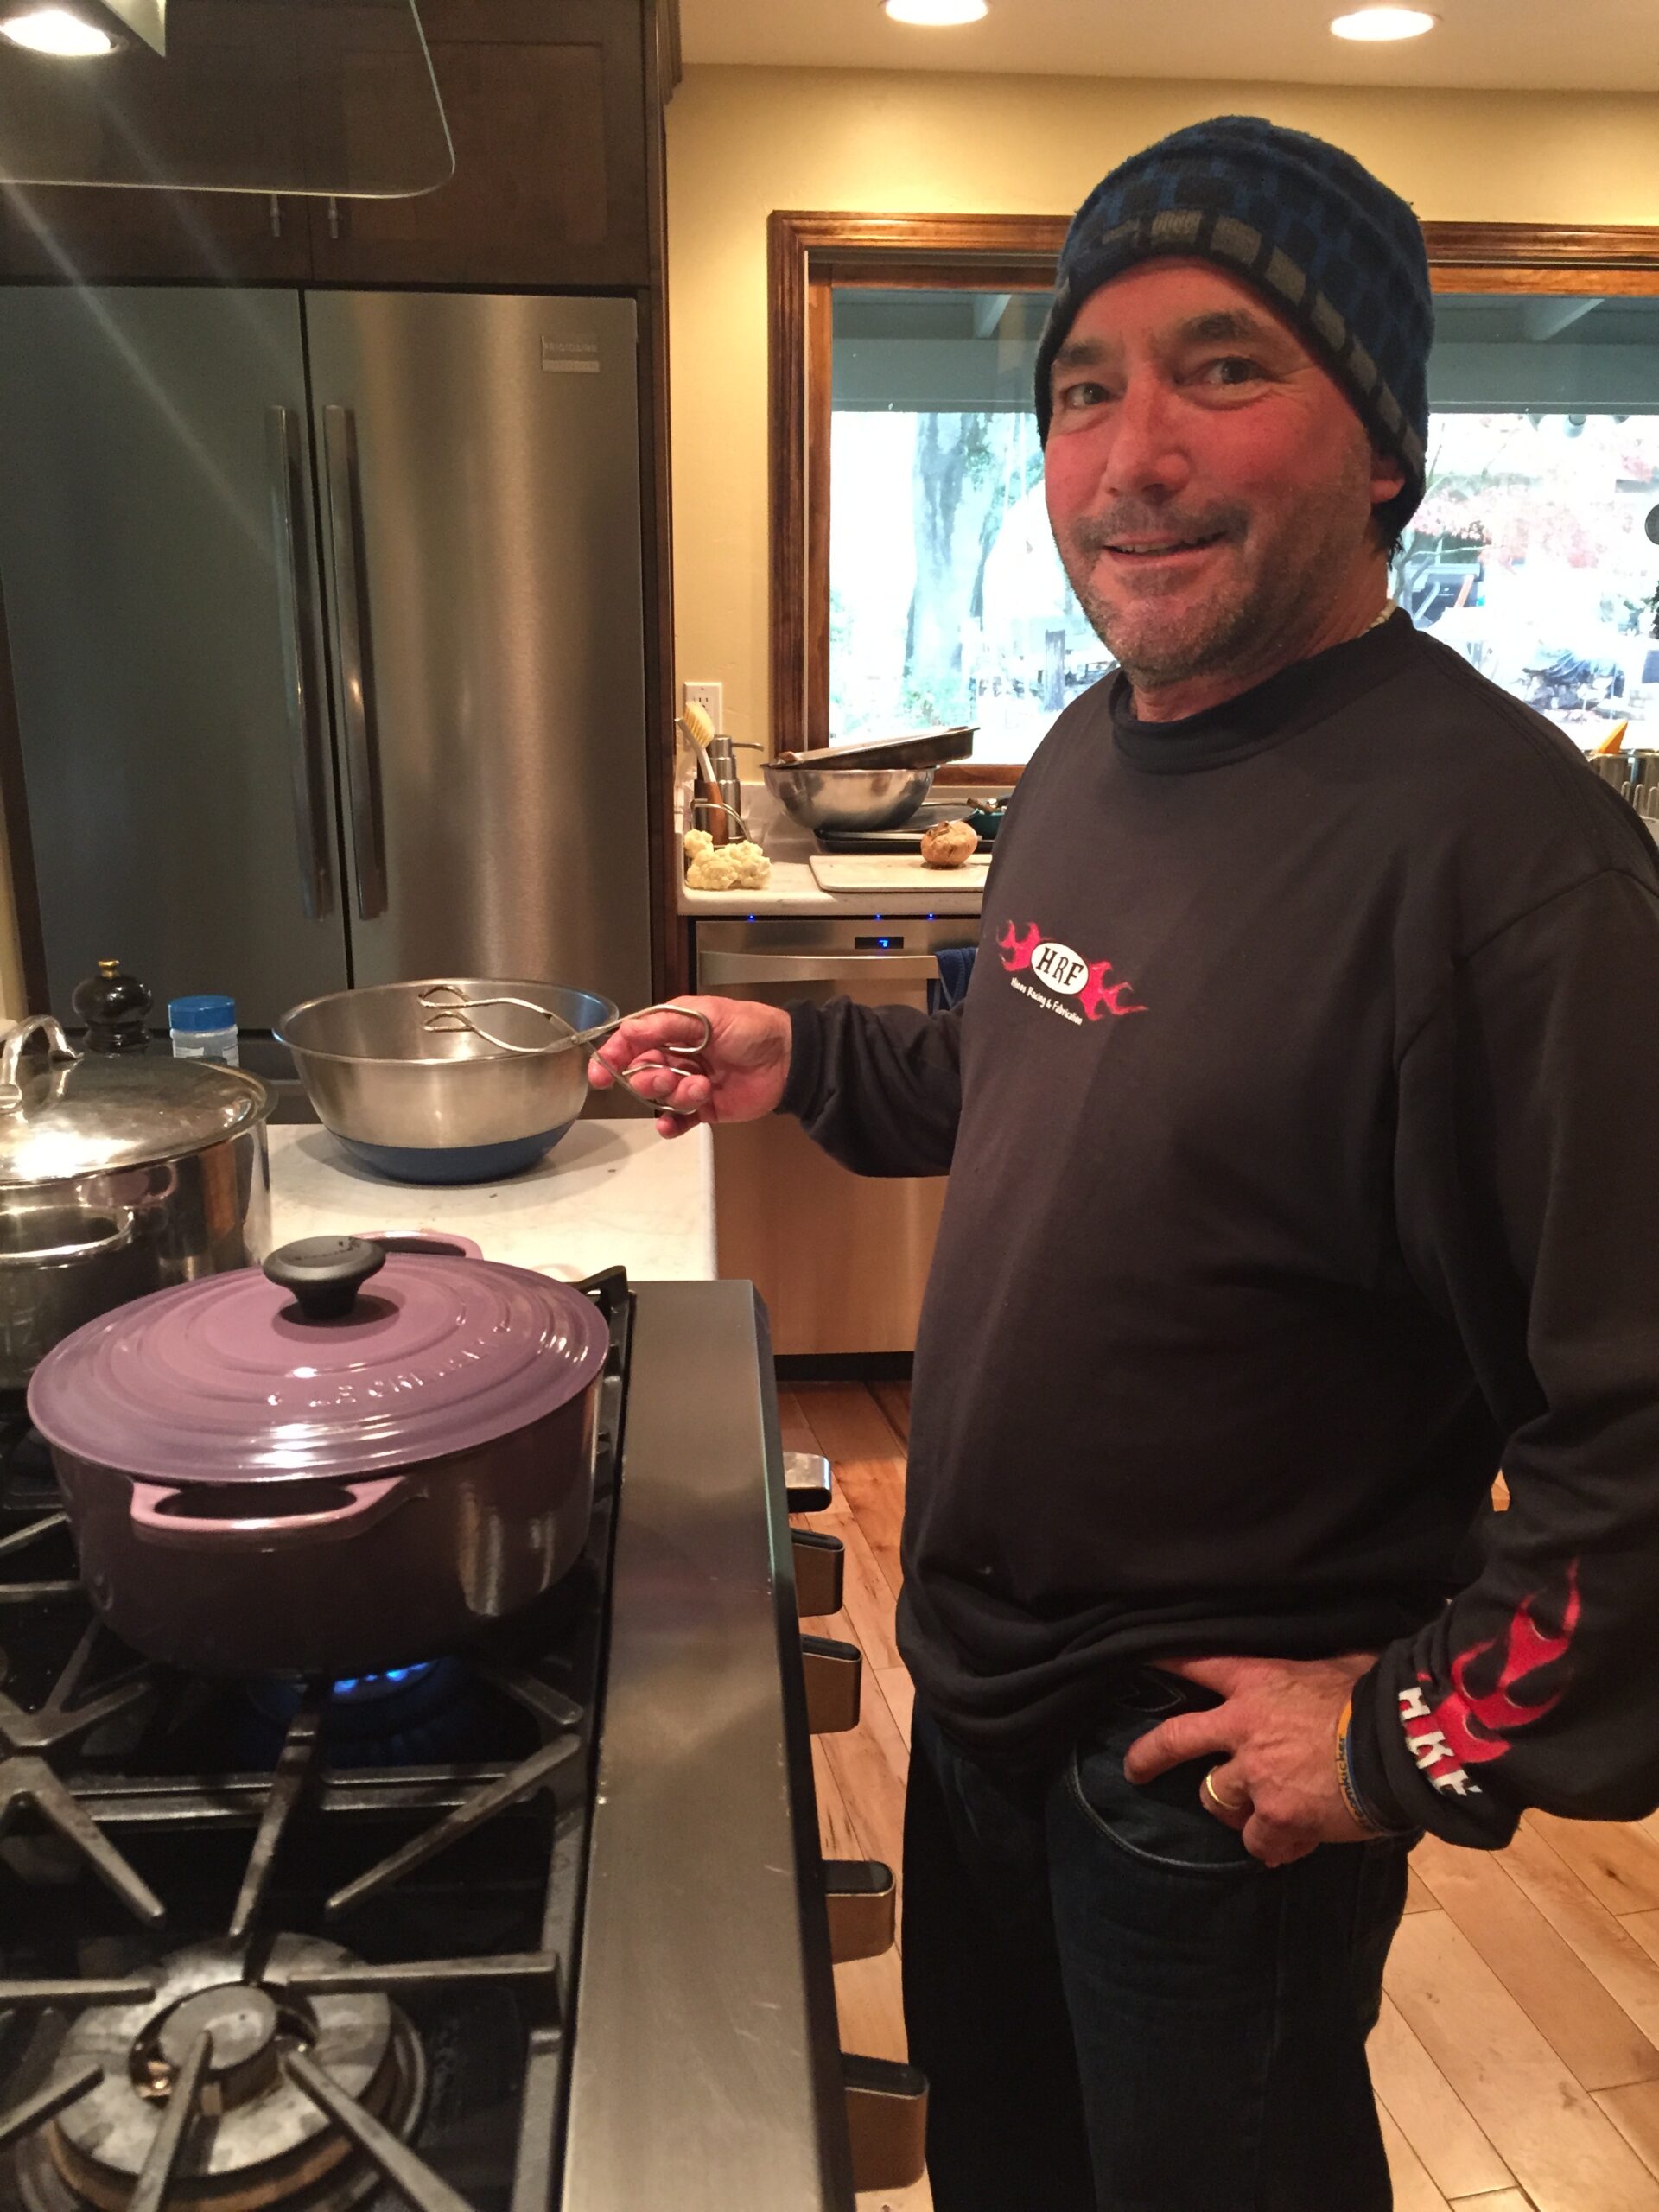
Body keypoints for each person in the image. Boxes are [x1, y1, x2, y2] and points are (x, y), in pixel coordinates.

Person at [591, 116, 1659, 2212]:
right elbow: (1018, 1058)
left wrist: (1406, 1736)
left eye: (1225, 367)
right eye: (1085, 387)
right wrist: (795, 1047)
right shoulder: (1092, 748)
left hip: (1206, 1784)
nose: (1128, 454)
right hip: (979, 1700)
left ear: (1379, 445)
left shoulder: (1516, 871)